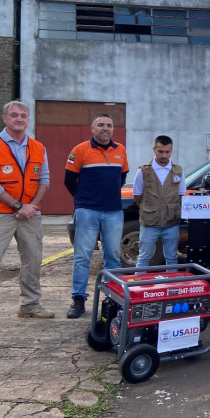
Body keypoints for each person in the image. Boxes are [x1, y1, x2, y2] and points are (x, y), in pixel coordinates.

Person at [0, 101, 54, 330]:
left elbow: (44, 181)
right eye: (14, 115)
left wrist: (32, 206)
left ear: (28, 120)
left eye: (23, 115)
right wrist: (19, 206)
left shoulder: (38, 147)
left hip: (31, 216)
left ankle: (30, 306)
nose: (19, 119)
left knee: (33, 262)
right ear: (5, 119)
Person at [64, 113, 129, 319]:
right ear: (92, 128)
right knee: (82, 257)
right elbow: (69, 180)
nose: (105, 128)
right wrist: (84, 199)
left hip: (113, 212)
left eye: (109, 125)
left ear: (113, 129)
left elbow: (121, 178)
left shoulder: (120, 150)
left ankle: (112, 298)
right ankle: (78, 299)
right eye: (100, 125)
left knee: (112, 257)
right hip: (87, 211)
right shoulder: (80, 150)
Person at [132, 135, 186, 267]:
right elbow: (137, 196)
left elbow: (180, 196)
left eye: (167, 152)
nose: (164, 155)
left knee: (172, 258)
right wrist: (150, 208)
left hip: (171, 222)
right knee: (144, 257)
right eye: (160, 151)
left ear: (171, 150)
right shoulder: (143, 171)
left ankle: (171, 286)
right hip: (149, 223)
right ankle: (139, 285)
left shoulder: (178, 171)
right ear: (154, 149)